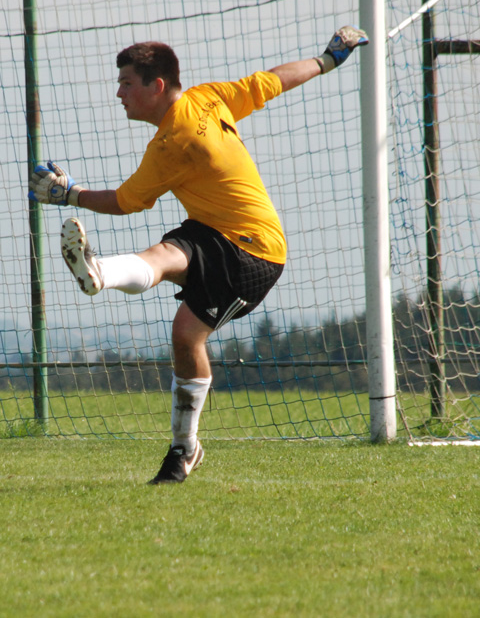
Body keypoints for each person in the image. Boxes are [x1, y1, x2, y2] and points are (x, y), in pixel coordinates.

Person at [28, 27, 368, 484]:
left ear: (156, 86)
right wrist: (327, 59)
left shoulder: (173, 143)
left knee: (186, 331)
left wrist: (70, 194)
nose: (119, 93)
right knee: (167, 266)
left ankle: (184, 447)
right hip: (213, 231)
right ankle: (100, 271)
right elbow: (270, 81)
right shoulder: (207, 98)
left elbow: (126, 201)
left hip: (255, 255)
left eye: (126, 83)